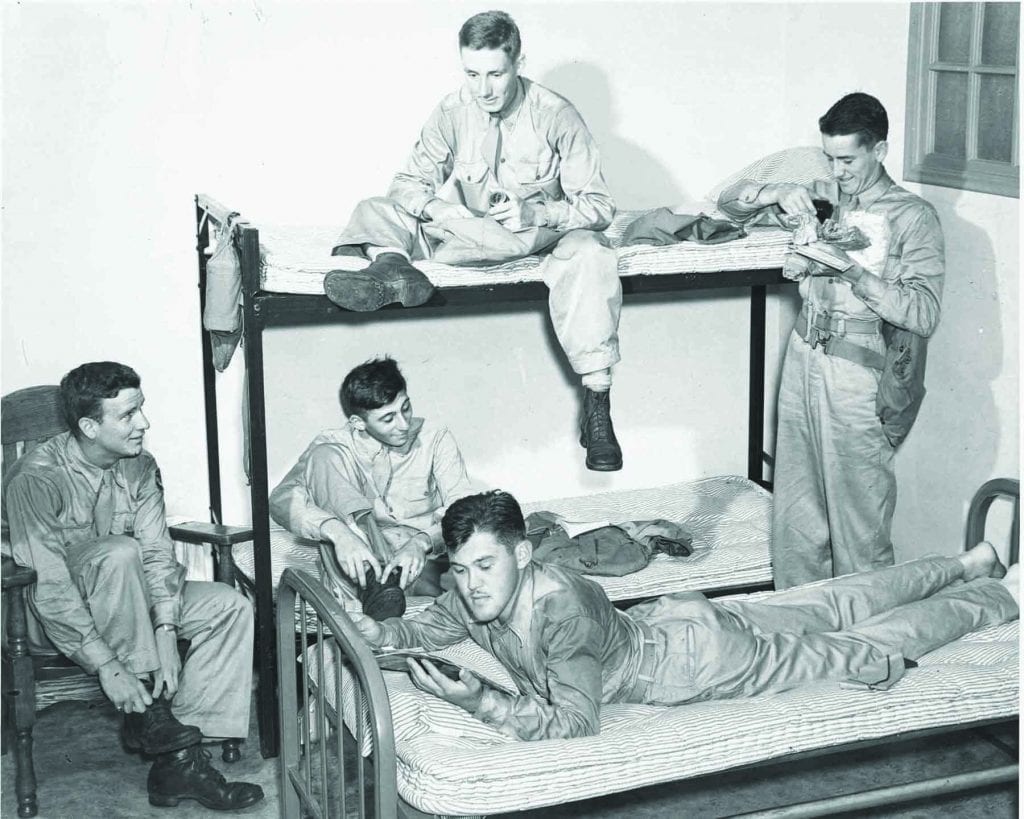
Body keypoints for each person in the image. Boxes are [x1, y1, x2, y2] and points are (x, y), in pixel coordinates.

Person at [349, 490, 1017, 741]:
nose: (469, 587)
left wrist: (485, 705)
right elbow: (426, 628)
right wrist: (382, 630)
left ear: (524, 554)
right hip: (679, 621)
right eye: (459, 569)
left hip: (703, 663)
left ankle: (993, 594)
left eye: (484, 567)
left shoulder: (561, 611)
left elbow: (577, 723)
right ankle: (968, 560)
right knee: (834, 597)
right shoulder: (476, 591)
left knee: (863, 647)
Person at [324, 10, 624, 472]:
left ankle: (598, 407)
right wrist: (440, 209)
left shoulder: (556, 115)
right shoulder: (452, 110)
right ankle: (391, 269)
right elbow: (406, 184)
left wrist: (537, 211)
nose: (482, 89)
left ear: (519, 61)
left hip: (533, 239)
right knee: (374, 208)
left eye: (495, 74)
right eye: (472, 74)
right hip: (471, 234)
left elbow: (600, 207)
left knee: (590, 251)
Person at [1, 362, 263, 810]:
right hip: (48, 618)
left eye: (140, 409)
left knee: (229, 605)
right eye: (127, 415)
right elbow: (51, 588)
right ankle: (154, 720)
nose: (144, 423)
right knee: (119, 552)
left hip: (129, 606)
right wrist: (107, 665)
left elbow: (158, 552)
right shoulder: (36, 479)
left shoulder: (139, 467)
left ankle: (180, 760)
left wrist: (164, 629)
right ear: (88, 426)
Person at [717, 93, 945, 588]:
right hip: (803, 358)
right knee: (796, 519)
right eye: (830, 158)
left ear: (879, 150)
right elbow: (728, 203)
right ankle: (802, 635)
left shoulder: (913, 216)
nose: (838, 171)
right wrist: (774, 192)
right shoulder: (827, 195)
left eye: (848, 160)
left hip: (857, 374)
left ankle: (867, 647)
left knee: (859, 523)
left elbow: (924, 314)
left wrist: (853, 272)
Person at [269, 357, 474, 614]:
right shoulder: (334, 444)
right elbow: (281, 499)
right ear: (358, 423)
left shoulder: (436, 437)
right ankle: (372, 592)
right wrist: (337, 532)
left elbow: (464, 506)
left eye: (406, 408)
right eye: (388, 419)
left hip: (422, 563)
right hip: (360, 563)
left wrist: (422, 542)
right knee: (324, 457)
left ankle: (377, 605)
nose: (404, 424)